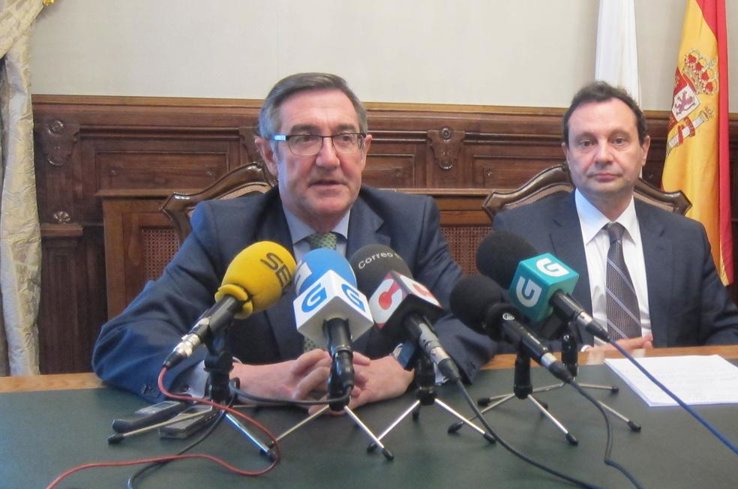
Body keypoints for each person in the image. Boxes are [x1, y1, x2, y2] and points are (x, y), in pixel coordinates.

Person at [93, 72, 494, 408]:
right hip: (262, 441)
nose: (329, 159)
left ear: (363, 151)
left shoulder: (409, 222)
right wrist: (240, 378)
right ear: (270, 155)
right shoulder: (226, 230)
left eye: (345, 138)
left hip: (384, 437)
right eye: (304, 138)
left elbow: (472, 321)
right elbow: (127, 338)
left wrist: (404, 368)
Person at [493, 81, 738, 349]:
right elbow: (502, 336)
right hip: (573, 374)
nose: (603, 156)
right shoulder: (522, 235)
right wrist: (585, 357)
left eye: (618, 140)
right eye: (586, 143)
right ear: (567, 154)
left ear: (644, 150)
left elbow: (730, 332)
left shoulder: (686, 238)